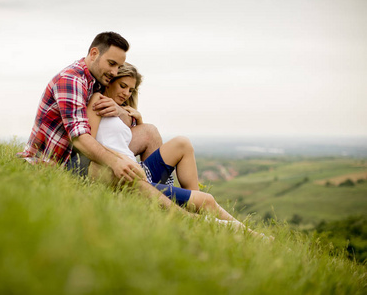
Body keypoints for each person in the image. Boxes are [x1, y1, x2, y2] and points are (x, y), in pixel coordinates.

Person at [86, 63, 270, 238]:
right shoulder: (98, 101)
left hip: (138, 172)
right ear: (110, 81)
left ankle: (194, 201)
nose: (126, 93)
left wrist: (133, 118)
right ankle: (254, 236)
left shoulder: (120, 110)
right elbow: (90, 143)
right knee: (208, 201)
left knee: (182, 143)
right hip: (124, 177)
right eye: (122, 86)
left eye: (131, 90)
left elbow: (125, 140)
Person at [17, 32, 162, 182]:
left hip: (77, 156)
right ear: (94, 53)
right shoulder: (71, 79)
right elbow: (79, 138)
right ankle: (157, 193)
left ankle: (158, 187)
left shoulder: (94, 80)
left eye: (118, 67)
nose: (114, 72)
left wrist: (120, 111)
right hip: (56, 163)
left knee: (149, 132)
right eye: (111, 64)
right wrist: (116, 162)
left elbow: (115, 128)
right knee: (117, 169)